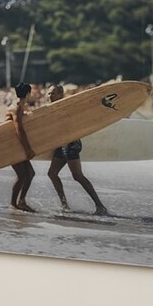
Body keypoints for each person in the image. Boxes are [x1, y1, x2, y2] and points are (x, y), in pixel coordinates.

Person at [44, 85, 109, 216]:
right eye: (49, 93)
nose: (50, 96)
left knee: (77, 176)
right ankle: (64, 205)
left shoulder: (68, 107)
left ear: (61, 94)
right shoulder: (52, 108)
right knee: (52, 173)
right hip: (60, 144)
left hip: (71, 144)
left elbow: (78, 122)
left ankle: (100, 206)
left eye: (53, 93)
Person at [8, 83, 37, 213]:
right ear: (28, 94)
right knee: (22, 175)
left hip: (17, 145)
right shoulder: (16, 108)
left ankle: (21, 201)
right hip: (11, 146)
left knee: (30, 173)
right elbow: (19, 129)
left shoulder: (19, 107)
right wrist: (28, 149)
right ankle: (14, 203)